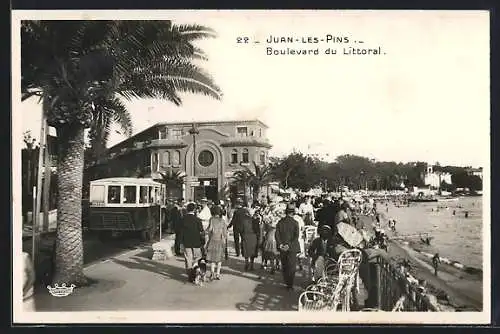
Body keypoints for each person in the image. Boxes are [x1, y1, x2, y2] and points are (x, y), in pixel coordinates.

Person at [275, 203, 300, 291]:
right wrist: (289, 245)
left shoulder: (280, 222)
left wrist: (280, 244)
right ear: (293, 213)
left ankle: (286, 281)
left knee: (284, 264)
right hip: (292, 247)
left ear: (286, 212)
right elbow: (296, 236)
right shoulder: (295, 223)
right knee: (292, 266)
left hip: (282, 247)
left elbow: (277, 234)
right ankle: (290, 284)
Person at [180, 202, 205, 283]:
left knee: (188, 259)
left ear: (187, 209)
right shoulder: (198, 220)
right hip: (196, 242)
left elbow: (180, 232)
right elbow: (201, 231)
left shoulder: (183, 219)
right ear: (194, 210)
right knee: (197, 258)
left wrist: (181, 242)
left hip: (186, 242)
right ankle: (197, 271)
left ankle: (190, 275)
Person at [205, 205, 227, 280]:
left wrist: (205, 232)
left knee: (212, 258)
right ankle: (218, 274)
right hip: (220, 240)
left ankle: (212, 273)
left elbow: (210, 229)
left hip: (212, 240)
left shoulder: (211, 219)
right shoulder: (222, 221)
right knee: (219, 259)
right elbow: (225, 233)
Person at [241, 205, 261, 271]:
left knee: (246, 250)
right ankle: (251, 265)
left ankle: (246, 262)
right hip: (253, 237)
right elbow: (258, 230)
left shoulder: (244, 221)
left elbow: (241, 230)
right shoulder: (256, 221)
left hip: (246, 236)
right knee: (253, 251)